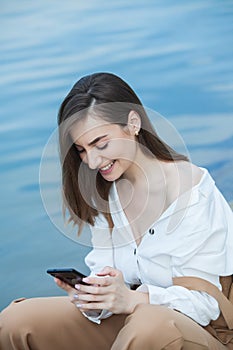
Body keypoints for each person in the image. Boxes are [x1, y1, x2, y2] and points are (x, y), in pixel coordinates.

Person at [0, 72, 233, 350]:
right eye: (82, 150)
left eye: (101, 144)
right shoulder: (105, 193)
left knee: (150, 324)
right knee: (16, 321)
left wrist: (132, 299)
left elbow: (206, 306)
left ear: (133, 124)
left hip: (204, 333)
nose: (92, 161)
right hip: (133, 325)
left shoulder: (192, 193)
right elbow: (108, 288)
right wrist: (93, 296)